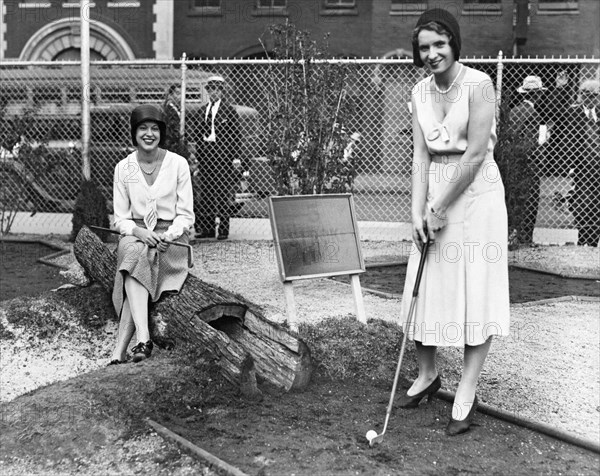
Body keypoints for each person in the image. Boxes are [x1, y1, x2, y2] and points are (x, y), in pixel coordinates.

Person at [398, 8, 510, 436]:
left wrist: (440, 206)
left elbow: (476, 153)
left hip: (476, 194)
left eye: (439, 44)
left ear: (454, 44)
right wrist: (417, 212)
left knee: (474, 290)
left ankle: (466, 389)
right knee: (423, 284)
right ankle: (427, 375)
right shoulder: (419, 92)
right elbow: (420, 154)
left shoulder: (480, 85)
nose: (431, 54)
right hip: (434, 195)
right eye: (424, 47)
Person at [109, 104, 194, 364]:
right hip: (136, 234)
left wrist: (170, 234)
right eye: (143, 128)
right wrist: (138, 231)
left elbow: (186, 215)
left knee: (136, 262)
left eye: (154, 129)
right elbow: (120, 218)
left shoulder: (177, 164)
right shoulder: (124, 168)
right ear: (134, 133)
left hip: (171, 240)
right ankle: (144, 339)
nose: (149, 134)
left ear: (162, 133)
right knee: (135, 250)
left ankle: (120, 349)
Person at [194, 75, 242, 240]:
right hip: (206, 154)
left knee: (221, 192)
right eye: (210, 89)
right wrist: (198, 154)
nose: (212, 93)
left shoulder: (229, 110)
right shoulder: (202, 110)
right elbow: (197, 133)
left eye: (216, 89)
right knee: (206, 192)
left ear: (221, 91)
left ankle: (223, 229)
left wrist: (235, 156)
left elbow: (235, 135)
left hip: (222, 155)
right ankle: (207, 228)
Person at [505, 76, 547, 245]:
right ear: (537, 95)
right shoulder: (533, 114)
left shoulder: (513, 111)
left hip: (512, 164)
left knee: (514, 201)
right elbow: (529, 144)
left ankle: (512, 235)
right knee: (529, 202)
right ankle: (524, 238)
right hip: (528, 165)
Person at [564, 79, 600, 246]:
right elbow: (566, 140)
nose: (590, 99)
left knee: (596, 205)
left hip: (598, 167)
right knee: (583, 204)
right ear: (581, 96)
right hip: (582, 167)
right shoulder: (572, 113)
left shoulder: (599, 113)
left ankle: (593, 242)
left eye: (594, 96)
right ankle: (583, 238)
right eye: (587, 95)